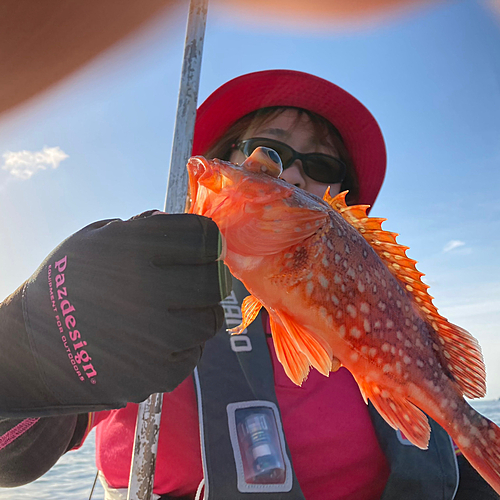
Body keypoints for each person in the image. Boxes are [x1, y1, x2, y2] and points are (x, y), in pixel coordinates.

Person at [0, 70, 497, 500]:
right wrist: (38, 342)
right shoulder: (137, 306)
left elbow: (462, 457)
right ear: (223, 159)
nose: (296, 175)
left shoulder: (385, 330)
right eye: (269, 156)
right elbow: (10, 457)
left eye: (323, 167)